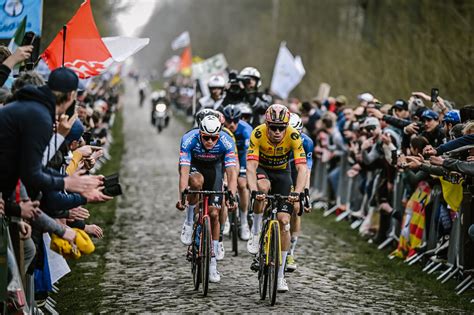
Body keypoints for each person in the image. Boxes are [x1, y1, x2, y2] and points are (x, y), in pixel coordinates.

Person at [0, 67, 102, 218]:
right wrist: (66, 183)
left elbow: (32, 166)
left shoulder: (34, 108)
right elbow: (31, 174)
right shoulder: (40, 116)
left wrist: (69, 180)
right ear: (71, 96)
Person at [246, 104, 307, 292]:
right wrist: (254, 189)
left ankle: (280, 276)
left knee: (284, 220)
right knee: (262, 188)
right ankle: (256, 233)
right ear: (267, 124)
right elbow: (251, 166)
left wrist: (297, 192)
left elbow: (302, 168)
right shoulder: (258, 133)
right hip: (263, 170)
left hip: (283, 173)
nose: (277, 131)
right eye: (273, 127)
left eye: (281, 128)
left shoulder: (294, 136)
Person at [176, 115, 238, 283]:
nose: (210, 141)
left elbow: (232, 172)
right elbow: (184, 170)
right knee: (196, 182)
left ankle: (212, 264)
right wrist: (182, 196)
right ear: (200, 133)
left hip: (215, 169)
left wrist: (231, 194)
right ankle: (189, 222)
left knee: (214, 213)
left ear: (219, 135)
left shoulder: (226, 140)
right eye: (206, 137)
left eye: (213, 138)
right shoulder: (189, 139)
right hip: (195, 166)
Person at [286, 113, 314, 272]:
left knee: (296, 209)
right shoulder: (277, 136)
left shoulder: (307, 142)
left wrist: (306, 192)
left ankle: (290, 251)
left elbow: (306, 171)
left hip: (296, 172)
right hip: (279, 169)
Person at [222, 104, 253, 241]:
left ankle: (244, 220)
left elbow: (247, 153)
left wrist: (242, 170)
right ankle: (226, 218)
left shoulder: (246, 130)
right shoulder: (221, 129)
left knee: (241, 184)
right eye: (229, 121)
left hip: (242, 156)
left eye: (236, 121)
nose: (232, 124)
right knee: (224, 183)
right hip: (226, 156)